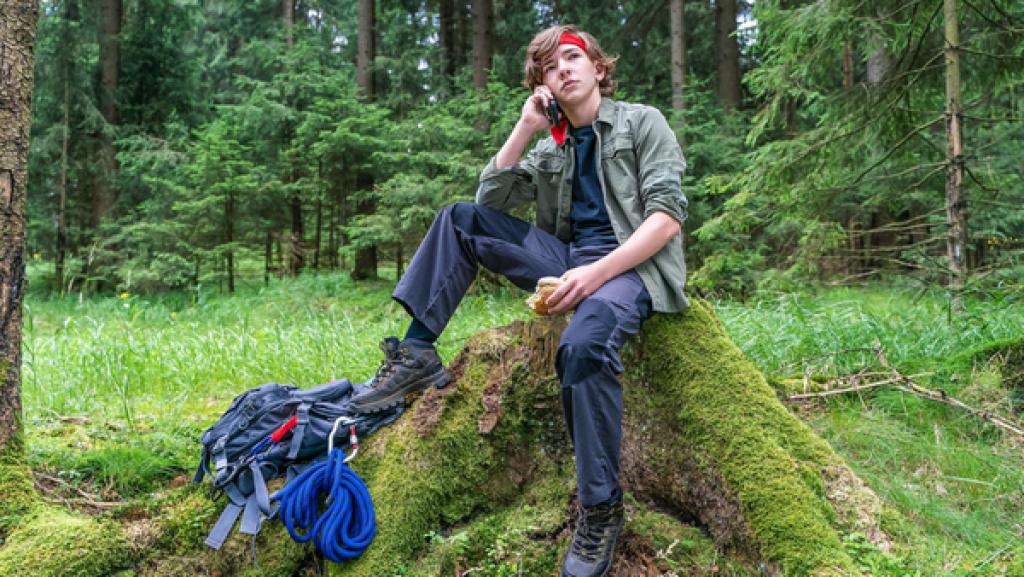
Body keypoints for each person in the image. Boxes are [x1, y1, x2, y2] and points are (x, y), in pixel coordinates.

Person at [349, 24, 688, 577]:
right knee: (460, 218)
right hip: (565, 260)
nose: (565, 71)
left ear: (598, 68)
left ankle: (600, 507)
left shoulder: (641, 122)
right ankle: (416, 355)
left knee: (581, 349)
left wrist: (594, 275)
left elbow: (666, 219)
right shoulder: (554, 149)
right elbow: (492, 198)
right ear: (544, 86)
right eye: (551, 69)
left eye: (574, 59)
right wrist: (527, 126)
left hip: (632, 269)